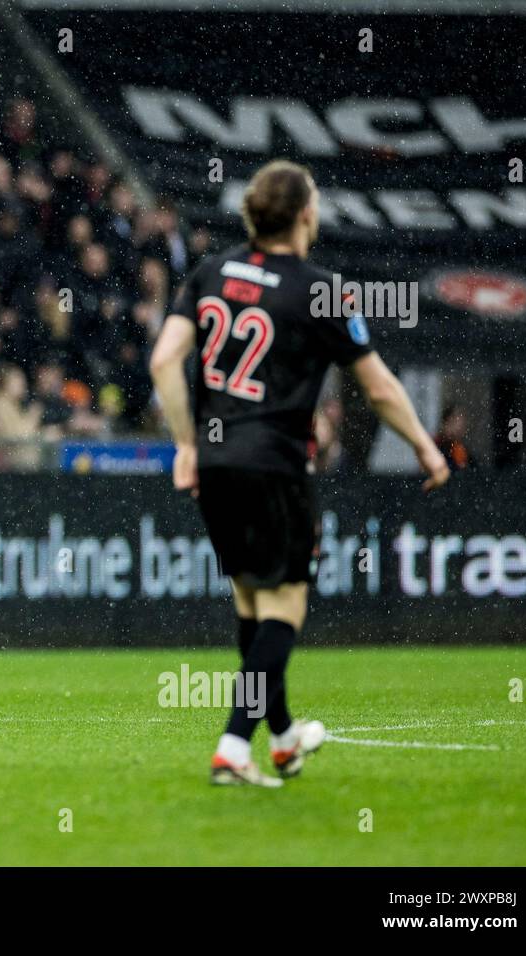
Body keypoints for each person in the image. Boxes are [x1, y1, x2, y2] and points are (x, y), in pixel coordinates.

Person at [150, 160, 450, 787]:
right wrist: (425, 444)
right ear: (306, 215)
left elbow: (163, 361)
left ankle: (281, 737)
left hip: (216, 461)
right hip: (276, 464)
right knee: (284, 607)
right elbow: (379, 388)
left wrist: (185, 442)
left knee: (253, 604)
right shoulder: (320, 291)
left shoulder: (209, 271)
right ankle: (234, 745)